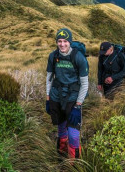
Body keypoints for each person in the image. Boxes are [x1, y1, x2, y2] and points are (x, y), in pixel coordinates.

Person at [45, 28, 89, 159]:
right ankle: (61, 154)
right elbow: (49, 79)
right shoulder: (53, 56)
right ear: (56, 42)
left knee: (74, 134)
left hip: (73, 97)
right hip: (56, 95)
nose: (62, 44)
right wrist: (48, 99)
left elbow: (85, 84)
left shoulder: (78, 58)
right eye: (59, 41)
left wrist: (78, 105)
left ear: (69, 42)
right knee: (61, 126)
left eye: (65, 41)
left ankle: (74, 164)